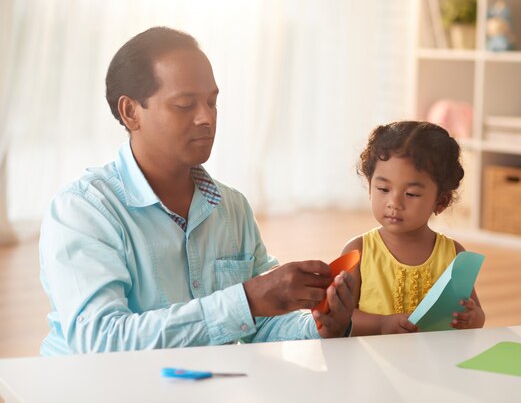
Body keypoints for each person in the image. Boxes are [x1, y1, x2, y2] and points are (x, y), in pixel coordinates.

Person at [39, 26, 355, 355]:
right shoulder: (82, 210)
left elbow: (261, 322)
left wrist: (322, 327)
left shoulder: (232, 207)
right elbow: (102, 341)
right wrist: (245, 299)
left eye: (211, 102)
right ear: (131, 112)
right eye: (185, 105)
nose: (206, 118)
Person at [341, 121, 485, 336]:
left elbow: (477, 314)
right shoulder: (358, 251)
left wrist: (471, 318)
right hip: (373, 362)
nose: (394, 202)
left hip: (433, 363)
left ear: (441, 201)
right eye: (383, 189)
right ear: (370, 187)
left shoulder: (453, 254)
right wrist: (381, 324)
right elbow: (340, 317)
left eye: (411, 194)